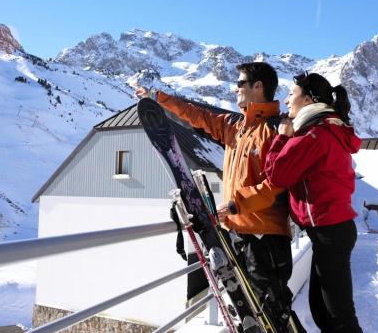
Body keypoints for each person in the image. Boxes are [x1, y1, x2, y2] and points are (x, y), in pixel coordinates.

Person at [135, 62, 304, 333]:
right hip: (238, 233)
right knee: (252, 317)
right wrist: (159, 99)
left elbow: (276, 184)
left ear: (258, 87)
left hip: (266, 240)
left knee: (275, 317)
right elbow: (198, 115)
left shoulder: (276, 130)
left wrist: (237, 205)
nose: (235, 88)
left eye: (240, 83)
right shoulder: (236, 127)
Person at [264, 71, 363, 333]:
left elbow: (277, 174)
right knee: (322, 312)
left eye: (291, 94)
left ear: (308, 99)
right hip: (331, 231)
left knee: (339, 317)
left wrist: (282, 137)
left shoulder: (315, 136)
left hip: (330, 232)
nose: (286, 101)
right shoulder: (328, 129)